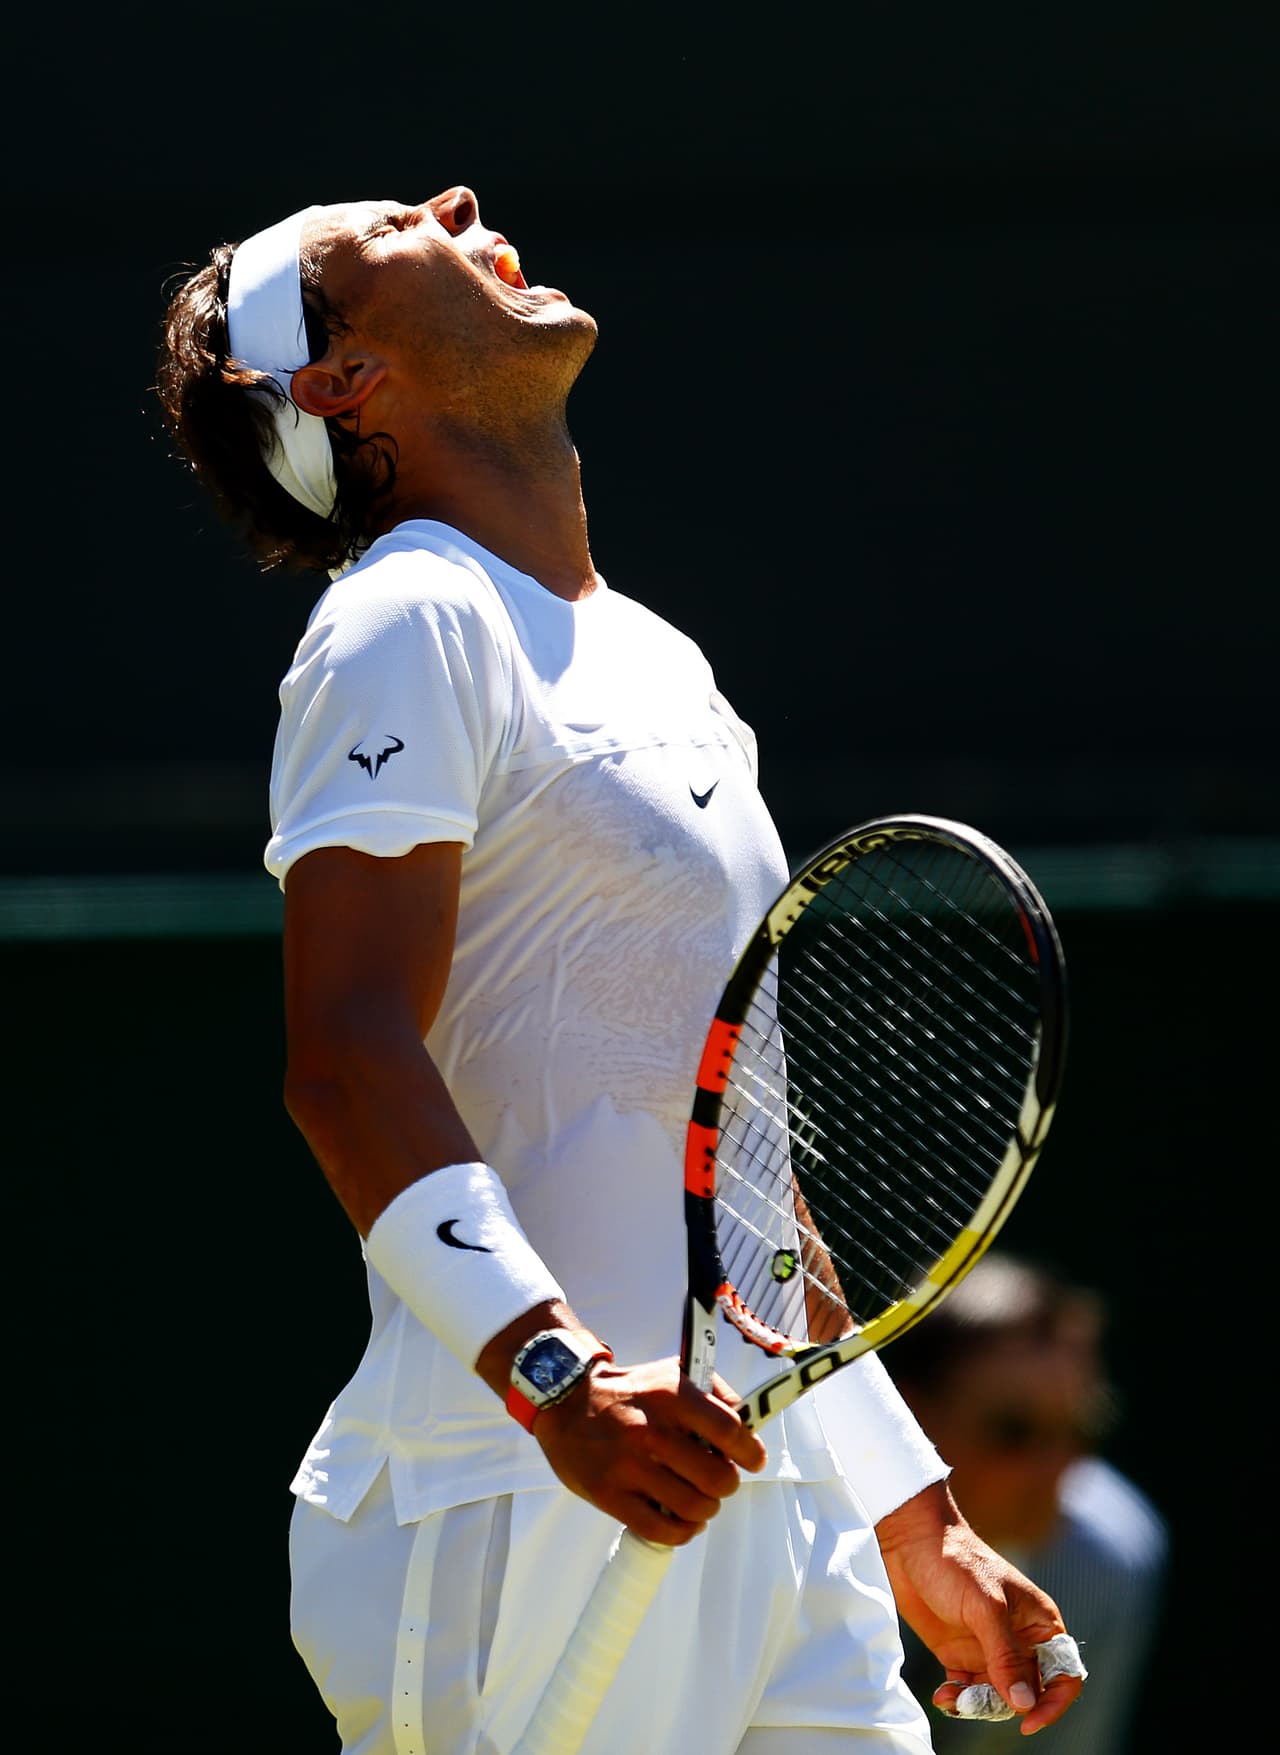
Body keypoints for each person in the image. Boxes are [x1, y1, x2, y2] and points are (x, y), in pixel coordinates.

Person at [154, 187, 1087, 1755]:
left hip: (762, 1504)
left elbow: (735, 1164)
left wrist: (909, 1508)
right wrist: (560, 1383)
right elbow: (346, 1049)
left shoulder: (660, 658)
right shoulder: (404, 618)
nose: (456, 202)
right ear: (338, 381)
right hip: (517, 1489)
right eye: (391, 226)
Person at [884, 1253, 1168, 1755]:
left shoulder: (1108, 1555)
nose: (1058, 1468)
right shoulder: (800, 1537)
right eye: (1014, 1431)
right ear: (904, 1415)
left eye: (1082, 1429)